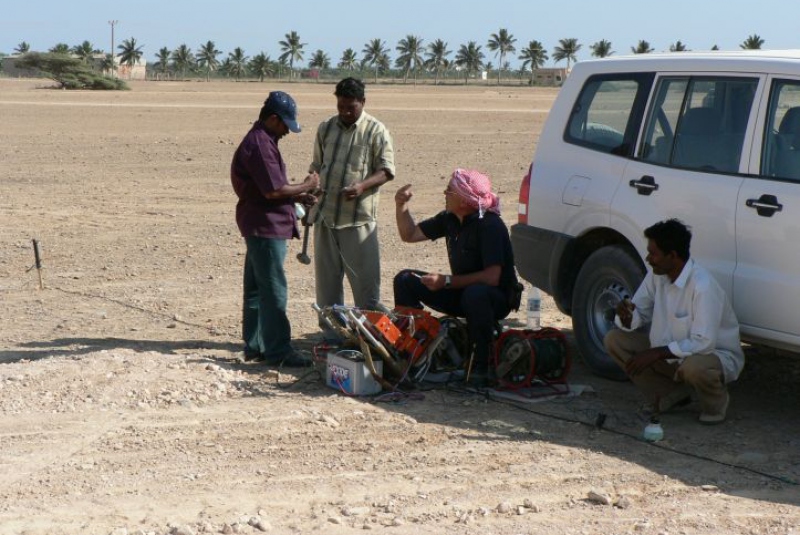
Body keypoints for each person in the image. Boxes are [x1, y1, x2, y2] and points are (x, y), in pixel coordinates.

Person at [604, 219, 745, 424]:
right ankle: (669, 396)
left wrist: (656, 352)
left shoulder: (702, 286)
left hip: (711, 356)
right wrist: (627, 317)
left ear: (673, 256)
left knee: (694, 367)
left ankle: (715, 406)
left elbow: (703, 343)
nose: (648, 258)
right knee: (614, 340)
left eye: (653, 254)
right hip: (670, 353)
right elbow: (638, 312)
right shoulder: (657, 276)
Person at [393, 168, 520, 385]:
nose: (444, 193)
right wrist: (401, 206)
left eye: (449, 190)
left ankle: (482, 364)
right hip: (461, 292)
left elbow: (492, 277)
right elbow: (410, 234)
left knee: (476, 294)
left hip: (493, 298)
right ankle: (412, 352)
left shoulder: (490, 226)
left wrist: (446, 281)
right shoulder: (450, 219)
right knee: (405, 280)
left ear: (463, 199)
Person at [231, 91, 319, 366]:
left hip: (258, 224)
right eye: (285, 125)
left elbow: (271, 189)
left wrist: (297, 197)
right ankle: (278, 351)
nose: (287, 132)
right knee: (273, 289)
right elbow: (273, 191)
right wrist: (307, 186)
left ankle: (255, 345)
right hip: (266, 226)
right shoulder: (260, 144)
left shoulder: (263, 139)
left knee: (257, 288)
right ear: (272, 119)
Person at [308, 77, 395, 331]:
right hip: (326, 217)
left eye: (351, 107)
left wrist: (361, 187)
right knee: (327, 287)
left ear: (363, 102)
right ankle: (332, 337)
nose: (345, 112)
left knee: (366, 288)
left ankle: (369, 338)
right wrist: (309, 188)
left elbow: (387, 171)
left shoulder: (376, 131)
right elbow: (317, 166)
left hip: (358, 222)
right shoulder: (325, 128)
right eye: (341, 107)